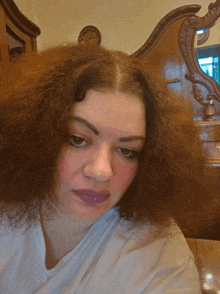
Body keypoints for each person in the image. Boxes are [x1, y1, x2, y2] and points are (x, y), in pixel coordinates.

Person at [0, 43, 219, 294]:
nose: (102, 171)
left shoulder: (159, 254)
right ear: (35, 135)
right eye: (77, 139)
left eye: (127, 151)